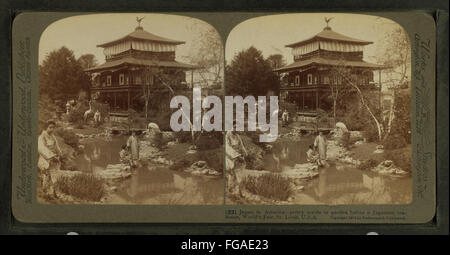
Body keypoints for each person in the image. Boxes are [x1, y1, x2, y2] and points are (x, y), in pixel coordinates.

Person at [38, 120, 62, 198]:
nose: (52, 129)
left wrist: (59, 153)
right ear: (46, 128)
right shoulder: (41, 137)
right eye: (50, 127)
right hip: (46, 160)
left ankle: (54, 193)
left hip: (54, 159)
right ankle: (46, 194)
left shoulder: (53, 136)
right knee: (46, 176)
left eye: (53, 128)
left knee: (54, 177)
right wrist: (51, 156)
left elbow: (56, 146)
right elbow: (41, 148)